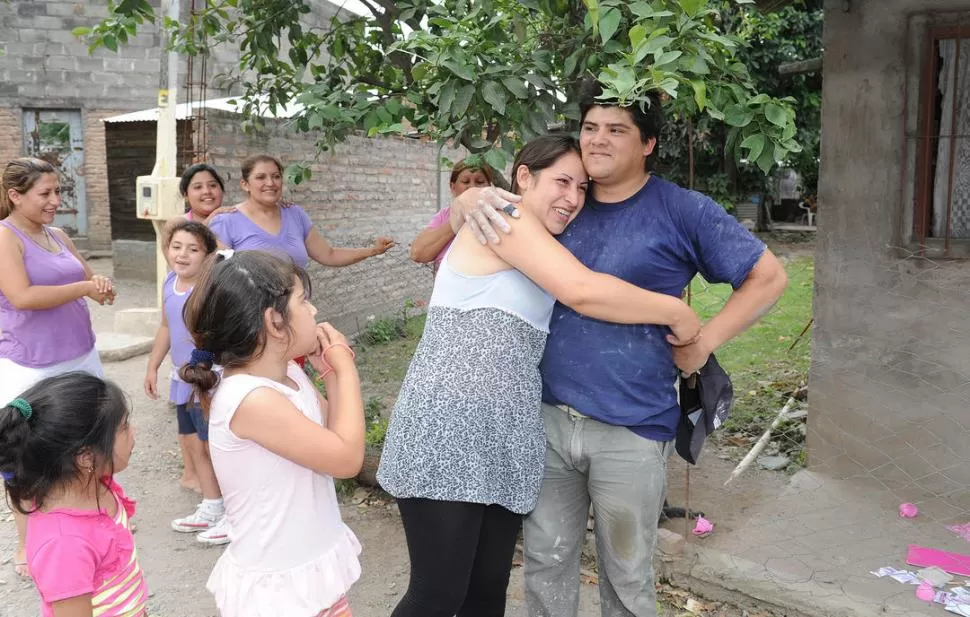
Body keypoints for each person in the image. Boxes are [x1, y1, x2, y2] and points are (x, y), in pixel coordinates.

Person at [455, 81, 788, 617]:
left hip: (632, 427)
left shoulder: (683, 210)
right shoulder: (560, 203)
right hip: (545, 419)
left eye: (617, 130)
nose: (598, 140)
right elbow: (480, 222)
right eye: (590, 127)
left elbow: (768, 278)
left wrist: (703, 344)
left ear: (648, 143)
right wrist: (470, 197)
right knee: (546, 563)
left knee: (628, 576)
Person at [377, 135, 702, 617]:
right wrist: (676, 312)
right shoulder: (503, 219)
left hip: (504, 436)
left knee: (485, 593)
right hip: (448, 430)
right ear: (524, 177)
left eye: (583, 187)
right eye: (562, 182)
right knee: (437, 595)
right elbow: (582, 290)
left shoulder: (537, 238)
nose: (573, 197)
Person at [180, 250, 364, 617]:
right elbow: (346, 460)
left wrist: (328, 372)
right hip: (280, 591)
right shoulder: (250, 399)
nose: (313, 312)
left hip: (308, 572)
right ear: (275, 322)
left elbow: (330, 432)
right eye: (304, 301)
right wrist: (346, 372)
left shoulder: (286, 375)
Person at [0, 157, 116, 579]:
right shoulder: (5, 237)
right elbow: (22, 296)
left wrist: (99, 286)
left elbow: (86, 279)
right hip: (31, 363)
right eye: (45, 194)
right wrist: (84, 287)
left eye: (57, 192)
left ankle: (91, 517)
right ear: (15, 195)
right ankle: (26, 542)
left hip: (80, 353)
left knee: (89, 440)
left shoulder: (59, 235)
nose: (55, 201)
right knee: (26, 453)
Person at [0, 372, 147, 617]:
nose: (134, 431)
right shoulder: (64, 544)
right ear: (86, 458)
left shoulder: (96, 485)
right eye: (123, 427)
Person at [144, 220, 229, 545]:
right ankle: (211, 505)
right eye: (176, 246)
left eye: (193, 249)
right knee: (195, 445)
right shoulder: (169, 282)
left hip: (208, 379)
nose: (182, 255)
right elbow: (166, 327)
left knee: (215, 447)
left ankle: (235, 512)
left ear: (208, 255)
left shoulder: (209, 291)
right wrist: (152, 366)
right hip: (182, 379)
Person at [208, 154, 396, 270]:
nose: (270, 183)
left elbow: (328, 255)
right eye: (260, 177)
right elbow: (221, 276)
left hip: (297, 317)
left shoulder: (295, 214)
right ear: (245, 184)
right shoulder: (226, 221)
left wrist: (373, 251)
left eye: (276, 176)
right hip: (251, 322)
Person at [409, 159, 492, 269]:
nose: (472, 188)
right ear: (453, 188)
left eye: (480, 182)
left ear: (489, 187)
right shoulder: (444, 216)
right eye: (466, 182)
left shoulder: (498, 217)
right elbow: (417, 254)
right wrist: (458, 219)